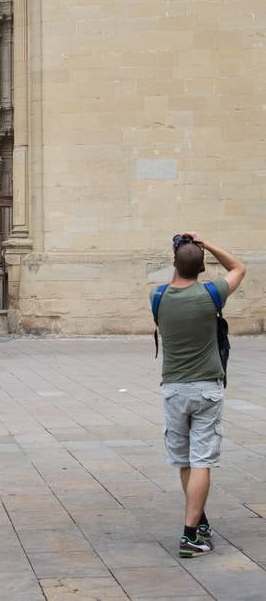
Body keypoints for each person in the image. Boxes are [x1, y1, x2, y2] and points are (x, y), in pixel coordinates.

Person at [152, 232, 246, 558]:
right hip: (206, 388)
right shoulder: (211, 294)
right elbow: (238, 268)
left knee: (185, 462)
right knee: (201, 461)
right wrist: (206, 243)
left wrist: (182, 252)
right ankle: (191, 534)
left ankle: (200, 520)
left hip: (174, 390)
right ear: (203, 267)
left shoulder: (159, 296)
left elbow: (177, 278)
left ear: (174, 263)